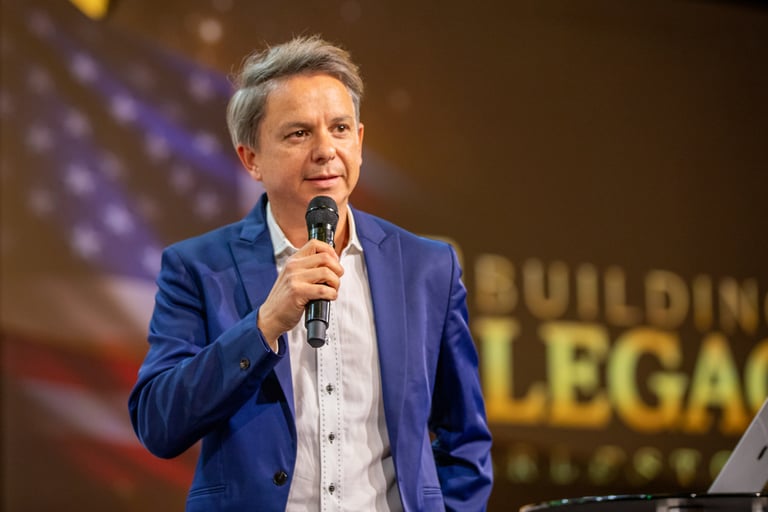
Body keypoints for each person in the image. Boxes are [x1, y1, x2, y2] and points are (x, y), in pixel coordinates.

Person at [128, 35, 493, 511]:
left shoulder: (427, 267)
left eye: (340, 128)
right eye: (298, 133)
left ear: (359, 142)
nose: (325, 150)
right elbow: (159, 423)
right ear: (251, 159)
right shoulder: (197, 267)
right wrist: (264, 326)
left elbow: (465, 439)